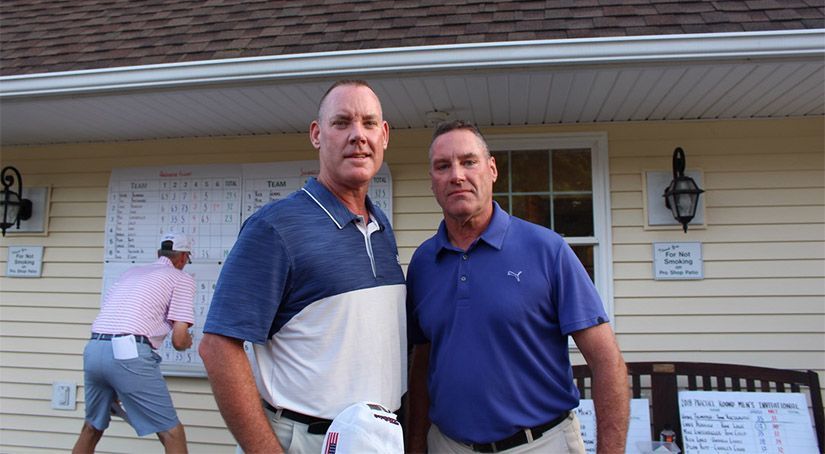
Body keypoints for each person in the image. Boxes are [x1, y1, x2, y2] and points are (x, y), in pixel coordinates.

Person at [199, 79, 407, 453]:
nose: (358, 136)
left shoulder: (381, 227)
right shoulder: (274, 227)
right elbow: (217, 348)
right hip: (307, 441)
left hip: (378, 439)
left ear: (385, 135)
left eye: (369, 123)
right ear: (316, 134)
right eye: (341, 122)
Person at [406, 120, 629, 454]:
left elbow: (606, 361)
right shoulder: (424, 264)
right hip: (447, 445)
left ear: (492, 169)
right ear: (432, 181)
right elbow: (421, 364)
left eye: (469, 161)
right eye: (443, 166)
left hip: (540, 444)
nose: (457, 175)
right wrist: (415, 444)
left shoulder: (547, 250)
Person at [72, 233, 195, 454]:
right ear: (183, 257)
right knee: (171, 432)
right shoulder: (181, 278)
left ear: (159, 253)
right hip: (129, 352)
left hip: (95, 348)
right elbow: (179, 340)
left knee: (92, 426)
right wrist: (188, 341)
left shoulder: (131, 272)